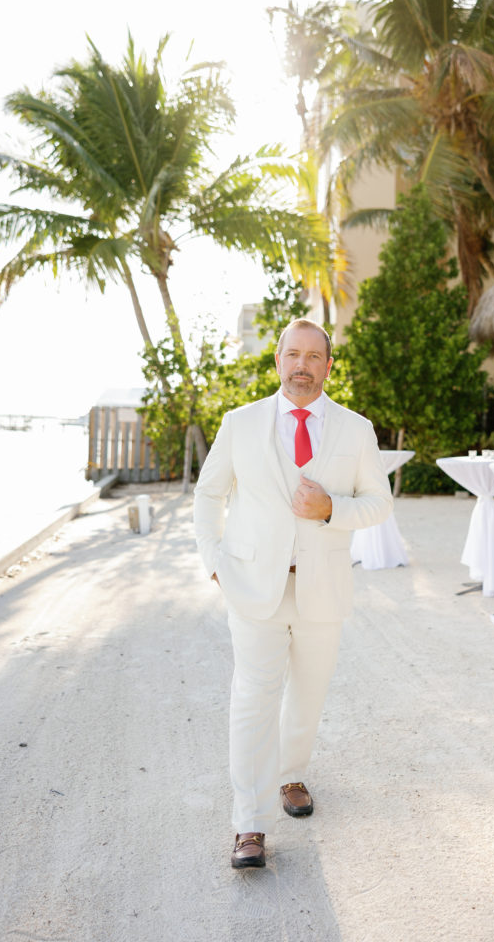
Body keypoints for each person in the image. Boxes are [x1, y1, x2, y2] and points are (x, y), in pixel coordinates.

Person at [193, 318, 393, 869]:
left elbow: (380, 503)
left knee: (307, 695)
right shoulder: (240, 423)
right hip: (253, 586)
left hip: (322, 589)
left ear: (329, 366)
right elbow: (208, 495)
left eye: (314, 356)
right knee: (252, 699)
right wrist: (214, 560)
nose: (303, 365)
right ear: (277, 361)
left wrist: (332, 509)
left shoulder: (356, 430)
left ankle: (292, 775)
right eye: (293, 355)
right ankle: (248, 825)